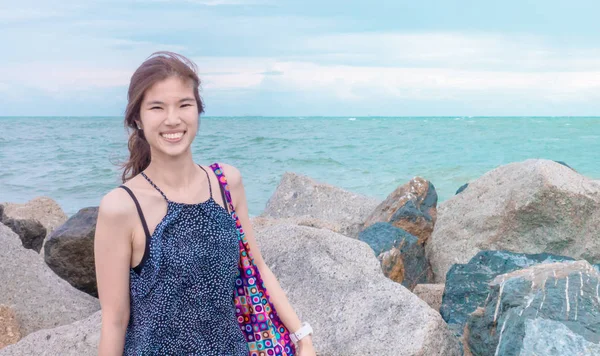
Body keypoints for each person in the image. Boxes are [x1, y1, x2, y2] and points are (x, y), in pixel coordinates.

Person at [94, 51, 316, 355]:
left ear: (198, 109)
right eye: (157, 107)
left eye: (184, 105)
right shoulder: (121, 207)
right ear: (138, 118)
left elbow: (256, 265)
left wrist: (302, 336)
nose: (173, 119)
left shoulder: (226, 183)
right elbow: (115, 320)